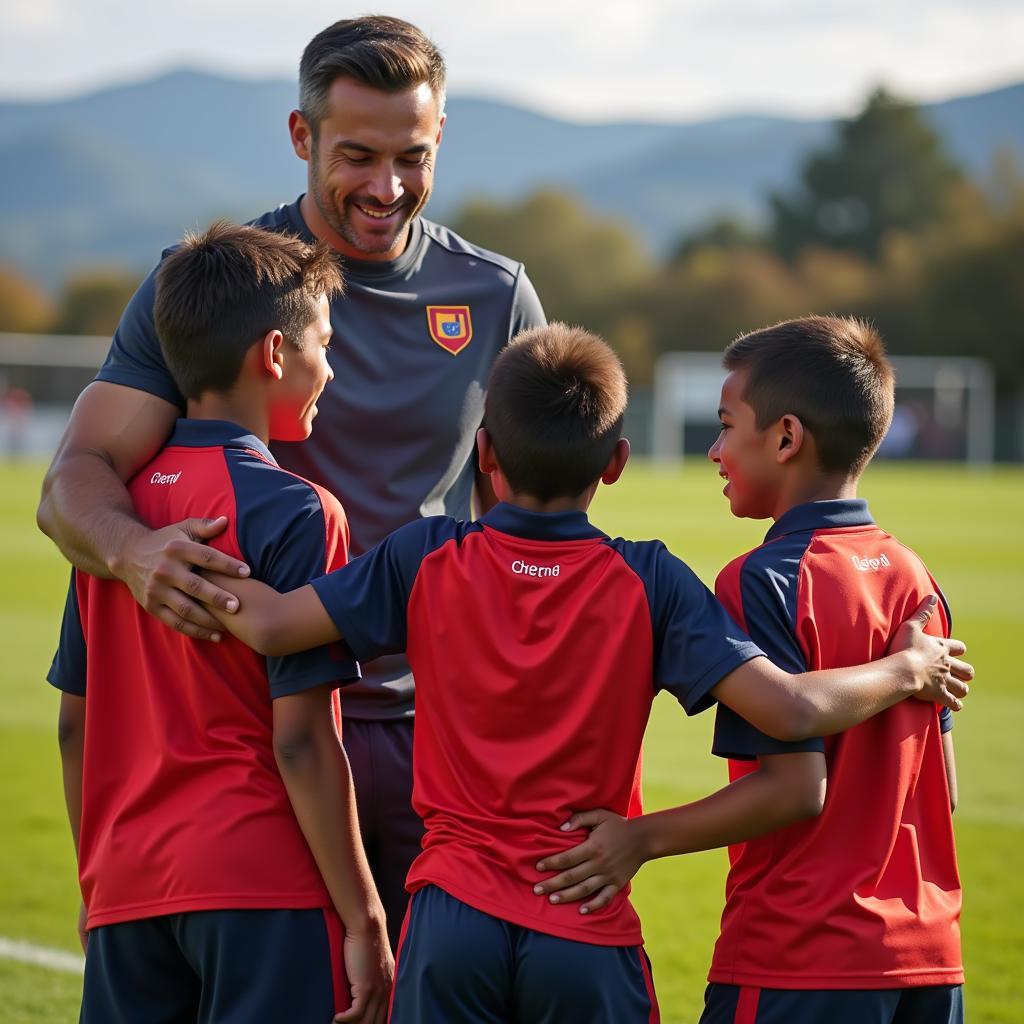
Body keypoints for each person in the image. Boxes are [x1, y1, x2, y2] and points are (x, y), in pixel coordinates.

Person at [196, 324, 969, 1023]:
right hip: (585, 918)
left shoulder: (424, 556)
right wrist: (907, 667)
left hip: (450, 915)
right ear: (617, 463)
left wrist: (168, 559)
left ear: (486, 454)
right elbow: (789, 709)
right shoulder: (652, 579)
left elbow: (269, 625)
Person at [36, 15, 546, 947]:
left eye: (413, 156)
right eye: (357, 154)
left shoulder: (496, 295)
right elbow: (75, 476)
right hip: (251, 734)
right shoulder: (212, 286)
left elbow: (536, 521)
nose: (387, 187)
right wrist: (134, 549)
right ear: (302, 137)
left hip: (432, 734)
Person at [534, 317, 965, 1024]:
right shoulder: (917, 579)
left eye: (727, 426)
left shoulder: (763, 579)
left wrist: (639, 839)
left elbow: (795, 791)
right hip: (929, 961)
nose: (713, 450)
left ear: (787, 438)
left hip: (802, 957)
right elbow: (939, 790)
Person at [48, 222, 392, 1024]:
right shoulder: (301, 511)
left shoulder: (111, 515)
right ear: (274, 354)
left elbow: (75, 727)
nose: (329, 369)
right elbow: (303, 740)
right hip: (261, 887)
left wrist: (97, 878)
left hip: (125, 887)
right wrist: (365, 916)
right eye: (323, 345)